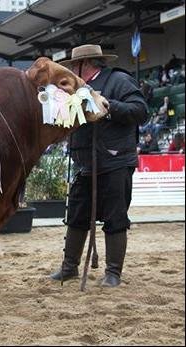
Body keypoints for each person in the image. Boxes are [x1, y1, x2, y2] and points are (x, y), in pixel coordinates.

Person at [50, 44, 148, 287]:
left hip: (115, 160)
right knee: (76, 215)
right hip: (85, 163)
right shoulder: (75, 90)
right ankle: (69, 266)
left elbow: (140, 111)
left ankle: (113, 272)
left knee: (115, 217)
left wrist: (109, 106)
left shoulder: (118, 80)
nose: (72, 70)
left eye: (75, 65)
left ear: (88, 64)